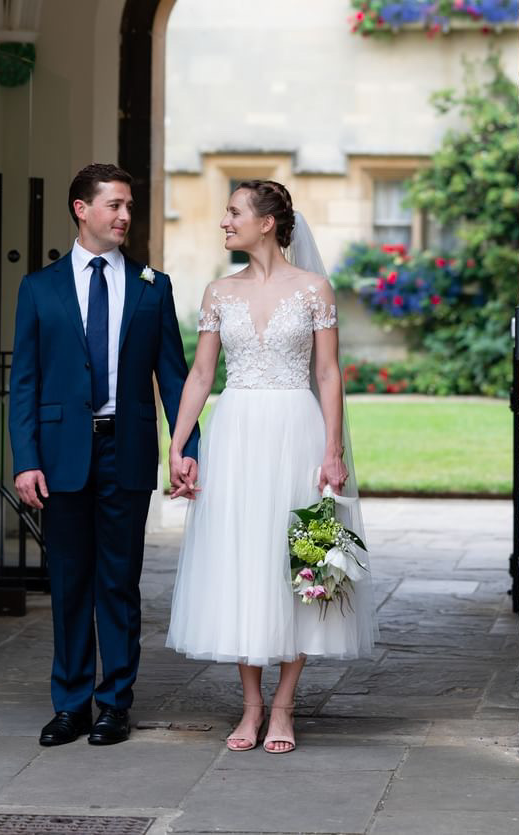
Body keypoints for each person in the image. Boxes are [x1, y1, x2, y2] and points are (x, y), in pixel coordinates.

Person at [166, 180, 374, 754]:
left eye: (233, 212)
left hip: (297, 432)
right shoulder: (217, 293)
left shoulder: (314, 290)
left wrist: (332, 450)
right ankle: (251, 705)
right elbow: (202, 375)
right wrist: (179, 443)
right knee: (242, 560)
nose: (224, 222)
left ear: (266, 223)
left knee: (301, 561)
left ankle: (284, 706)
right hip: (235, 434)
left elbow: (329, 374)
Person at [10, 163, 199, 747]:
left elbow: (174, 377)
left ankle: (114, 703)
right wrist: (25, 459)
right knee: (68, 582)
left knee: (119, 582)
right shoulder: (39, 288)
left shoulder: (152, 287)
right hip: (61, 453)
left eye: (128, 207)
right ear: (81, 209)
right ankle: (70, 706)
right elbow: (25, 382)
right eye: (113, 205)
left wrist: (186, 448)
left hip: (128, 448)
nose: (123, 216)